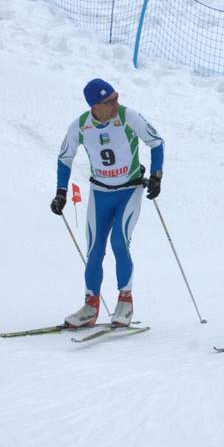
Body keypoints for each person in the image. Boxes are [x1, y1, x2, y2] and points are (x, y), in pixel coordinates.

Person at [50, 78, 164, 328]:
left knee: (119, 242)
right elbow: (65, 157)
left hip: (129, 190)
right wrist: (61, 193)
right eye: (109, 101)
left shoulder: (128, 117)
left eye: (116, 98)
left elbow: (156, 142)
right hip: (100, 193)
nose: (116, 104)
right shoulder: (80, 126)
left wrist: (156, 176)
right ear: (95, 106)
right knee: (94, 249)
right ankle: (90, 306)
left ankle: (125, 302)